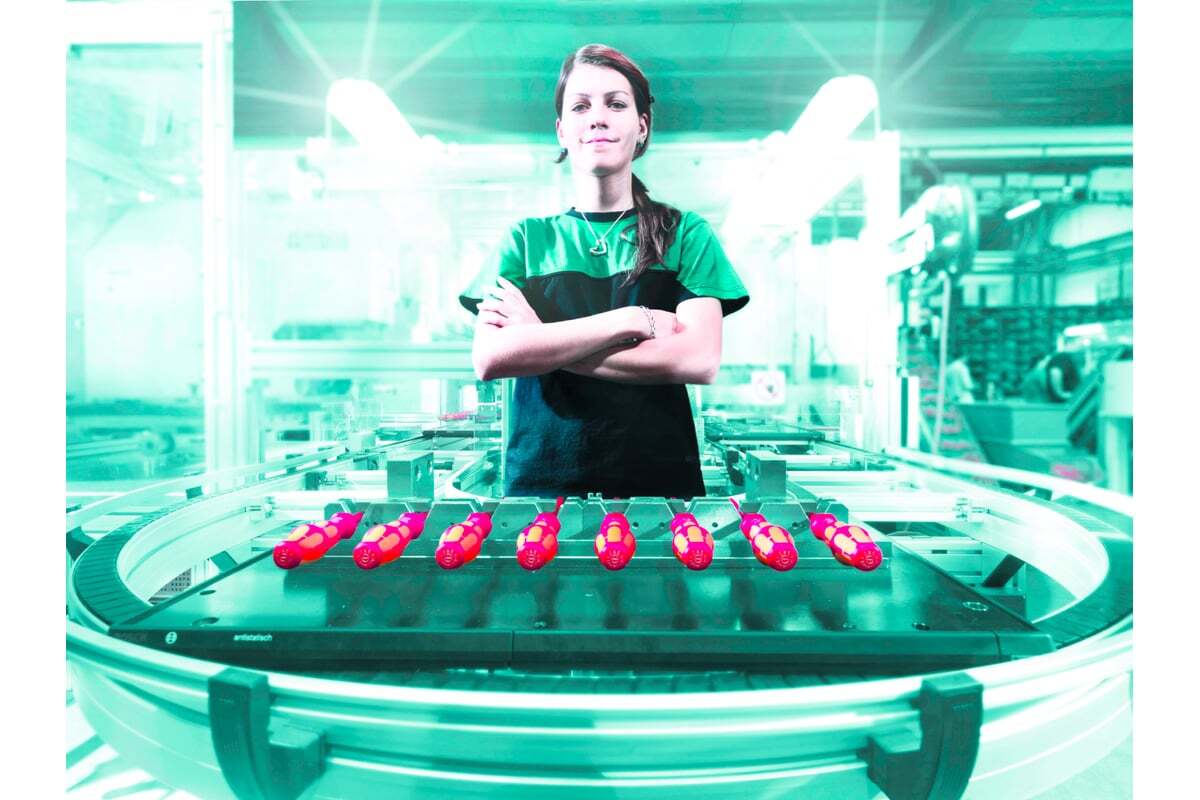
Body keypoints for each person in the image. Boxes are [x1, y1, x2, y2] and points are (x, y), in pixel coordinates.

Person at [458, 44, 749, 500]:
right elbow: (491, 358)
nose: (597, 118)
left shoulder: (685, 234)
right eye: (580, 106)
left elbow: (698, 360)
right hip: (541, 486)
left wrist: (540, 341)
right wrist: (629, 321)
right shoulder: (526, 240)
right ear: (561, 130)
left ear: (642, 126)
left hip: (660, 490)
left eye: (615, 104)